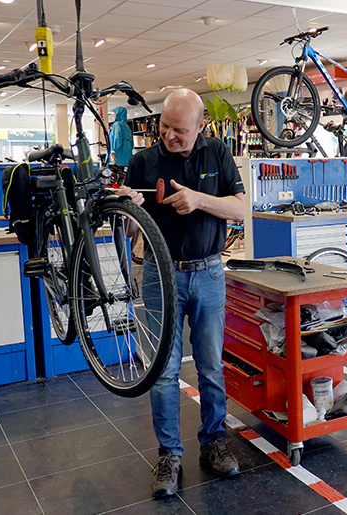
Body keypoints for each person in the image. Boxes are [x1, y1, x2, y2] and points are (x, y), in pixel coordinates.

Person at [120, 88, 246, 498]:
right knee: (165, 372)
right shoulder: (142, 161)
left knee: (210, 366)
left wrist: (199, 200)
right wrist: (129, 210)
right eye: (164, 127)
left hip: (209, 273)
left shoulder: (218, 153)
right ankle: (169, 454)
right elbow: (125, 230)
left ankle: (213, 442)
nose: (169, 136)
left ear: (200, 126)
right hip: (160, 276)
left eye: (179, 130)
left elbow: (240, 209)